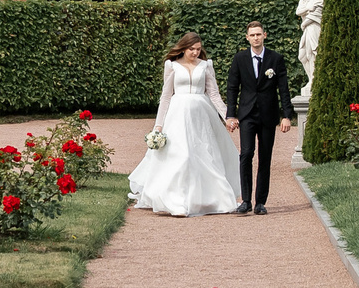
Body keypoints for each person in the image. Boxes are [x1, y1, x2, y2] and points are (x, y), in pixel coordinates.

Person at [124, 32, 246, 217]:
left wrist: (227, 116)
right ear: (183, 48)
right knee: (182, 155)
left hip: (202, 115)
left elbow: (213, 94)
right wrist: (158, 125)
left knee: (205, 154)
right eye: (192, 49)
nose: (196, 52)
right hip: (177, 114)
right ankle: (177, 201)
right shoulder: (171, 65)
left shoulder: (206, 66)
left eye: (198, 49)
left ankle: (207, 198)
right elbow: (166, 96)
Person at [225, 20, 296, 214]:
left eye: (259, 34)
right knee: (246, 154)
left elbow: (283, 89)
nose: (256, 38)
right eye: (252, 35)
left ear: (264, 35)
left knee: (265, 157)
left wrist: (286, 116)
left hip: (268, 114)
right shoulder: (240, 59)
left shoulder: (276, 59)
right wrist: (231, 114)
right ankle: (246, 200)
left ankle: (260, 202)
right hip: (247, 114)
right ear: (247, 37)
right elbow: (232, 87)